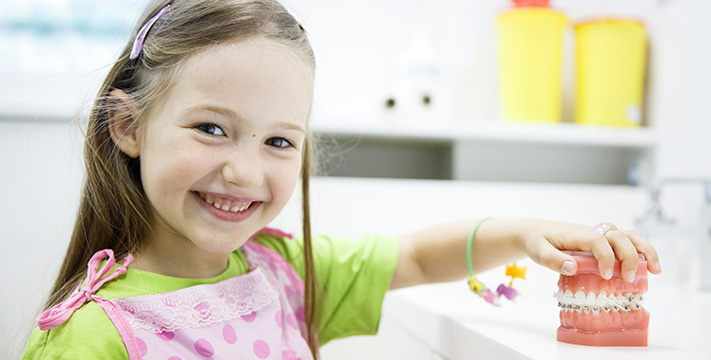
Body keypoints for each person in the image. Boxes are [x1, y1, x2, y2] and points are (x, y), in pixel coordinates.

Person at [22, 0, 662, 359]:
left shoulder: (281, 273)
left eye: (278, 141)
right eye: (211, 128)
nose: (243, 170)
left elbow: (414, 254)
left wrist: (530, 233)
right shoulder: (93, 336)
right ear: (128, 127)